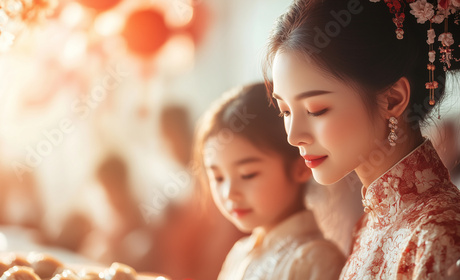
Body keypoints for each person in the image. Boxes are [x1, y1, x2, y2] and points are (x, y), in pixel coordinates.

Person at [264, 0, 460, 278]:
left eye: (316, 110)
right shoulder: (370, 223)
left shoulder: (437, 236)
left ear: (393, 99)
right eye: (285, 111)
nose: (294, 137)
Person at [193, 83, 346, 280]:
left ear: (300, 167)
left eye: (248, 174)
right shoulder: (239, 253)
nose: (229, 193)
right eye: (218, 178)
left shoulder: (314, 260)